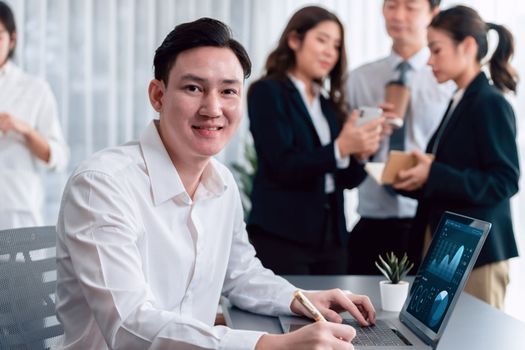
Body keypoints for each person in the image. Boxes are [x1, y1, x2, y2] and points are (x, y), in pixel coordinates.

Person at [55, 17, 376, 349]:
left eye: (228, 91)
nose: (213, 108)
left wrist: (303, 299)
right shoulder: (102, 185)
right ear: (158, 95)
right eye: (193, 88)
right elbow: (129, 325)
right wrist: (270, 345)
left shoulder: (221, 182)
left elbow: (240, 275)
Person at [393, 5, 520, 309]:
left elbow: (504, 181)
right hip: (453, 251)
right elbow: (453, 170)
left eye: (436, 50)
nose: (430, 61)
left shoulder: (489, 102)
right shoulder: (460, 99)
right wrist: (421, 172)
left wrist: (433, 173)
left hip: (477, 255)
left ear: (468, 46)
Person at [247, 6, 383, 275]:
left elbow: (347, 181)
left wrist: (360, 153)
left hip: (331, 238)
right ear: (295, 40)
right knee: (290, 316)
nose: (330, 52)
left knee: (334, 315)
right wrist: (341, 147)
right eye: (322, 40)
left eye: (336, 45)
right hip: (283, 236)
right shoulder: (267, 92)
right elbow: (281, 164)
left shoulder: (329, 105)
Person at [345, 0, 454, 274]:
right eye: (391, 5)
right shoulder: (359, 79)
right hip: (370, 223)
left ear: (434, 14)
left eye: (411, 7)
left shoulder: (449, 82)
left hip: (428, 223)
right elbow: (345, 156)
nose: (398, 15)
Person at [0, 1, 68, 230]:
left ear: (12, 39)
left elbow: (58, 157)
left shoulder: (35, 89)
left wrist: (23, 128)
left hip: (17, 212)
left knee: (17, 266)